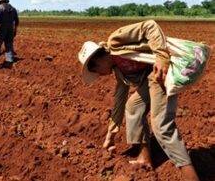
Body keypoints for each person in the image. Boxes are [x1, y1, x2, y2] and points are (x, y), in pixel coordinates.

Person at [78, 20, 199, 181]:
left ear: (97, 60)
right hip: (150, 78)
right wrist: (110, 136)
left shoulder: (116, 40)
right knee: (132, 106)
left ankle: (189, 174)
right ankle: (144, 157)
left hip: (160, 72)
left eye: (95, 70)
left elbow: (150, 26)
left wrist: (162, 57)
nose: (99, 75)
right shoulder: (119, 72)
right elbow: (119, 103)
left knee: (160, 124)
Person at [0, 0, 19, 67]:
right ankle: (10, 59)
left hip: (2, 29)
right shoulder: (13, 9)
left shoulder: (0, 8)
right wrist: (15, 30)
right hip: (10, 29)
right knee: (9, 44)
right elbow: (16, 21)